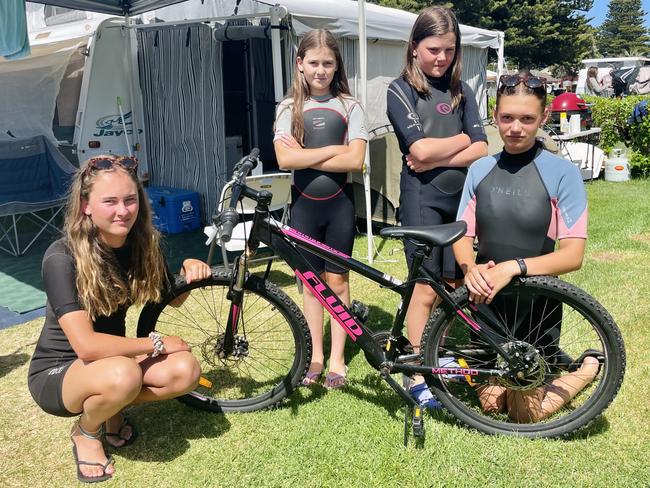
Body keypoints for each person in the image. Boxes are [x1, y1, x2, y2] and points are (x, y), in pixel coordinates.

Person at [27, 155, 211, 483]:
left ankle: (112, 406)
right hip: (59, 371)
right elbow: (86, 347)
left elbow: (176, 298)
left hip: (112, 361)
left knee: (186, 371)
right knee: (124, 373)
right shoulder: (61, 257)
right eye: (109, 201)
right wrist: (154, 343)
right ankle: (86, 432)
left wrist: (187, 271)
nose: (122, 211)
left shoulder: (141, 245)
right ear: (86, 205)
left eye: (129, 200)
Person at [453, 74, 601, 422]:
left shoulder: (563, 173)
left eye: (527, 119)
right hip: (487, 303)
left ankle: (588, 367)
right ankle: (490, 369)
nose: (515, 128)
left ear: (543, 117)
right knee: (491, 405)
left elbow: (572, 255)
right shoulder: (480, 170)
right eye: (507, 118)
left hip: (537, 308)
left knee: (525, 415)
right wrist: (469, 269)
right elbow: (462, 236)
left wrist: (512, 267)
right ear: (495, 113)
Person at [385, 5, 488, 407]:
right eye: (433, 49)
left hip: (460, 200)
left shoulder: (462, 91)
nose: (441, 58)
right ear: (414, 47)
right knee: (424, 288)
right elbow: (418, 148)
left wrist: (443, 153)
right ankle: (416, 372)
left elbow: (480, 147)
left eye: (449, 49)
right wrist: (458, 142)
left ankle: (438, 354)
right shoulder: (400, 90)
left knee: (454, 284)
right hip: (422, 199)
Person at [273, 29, 368, 389]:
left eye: (328, 63)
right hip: (305, 208)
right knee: (311, 285)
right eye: (313, 63)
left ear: (336, 65)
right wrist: (334, 151)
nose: (321, 70)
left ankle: (338, 358)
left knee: (338, 281)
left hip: (340, 206)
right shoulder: (288, 108)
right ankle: (315, 354)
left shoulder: (350, 106)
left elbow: (356, 160)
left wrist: (306, 156)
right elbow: (284, 159)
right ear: (300, 64)